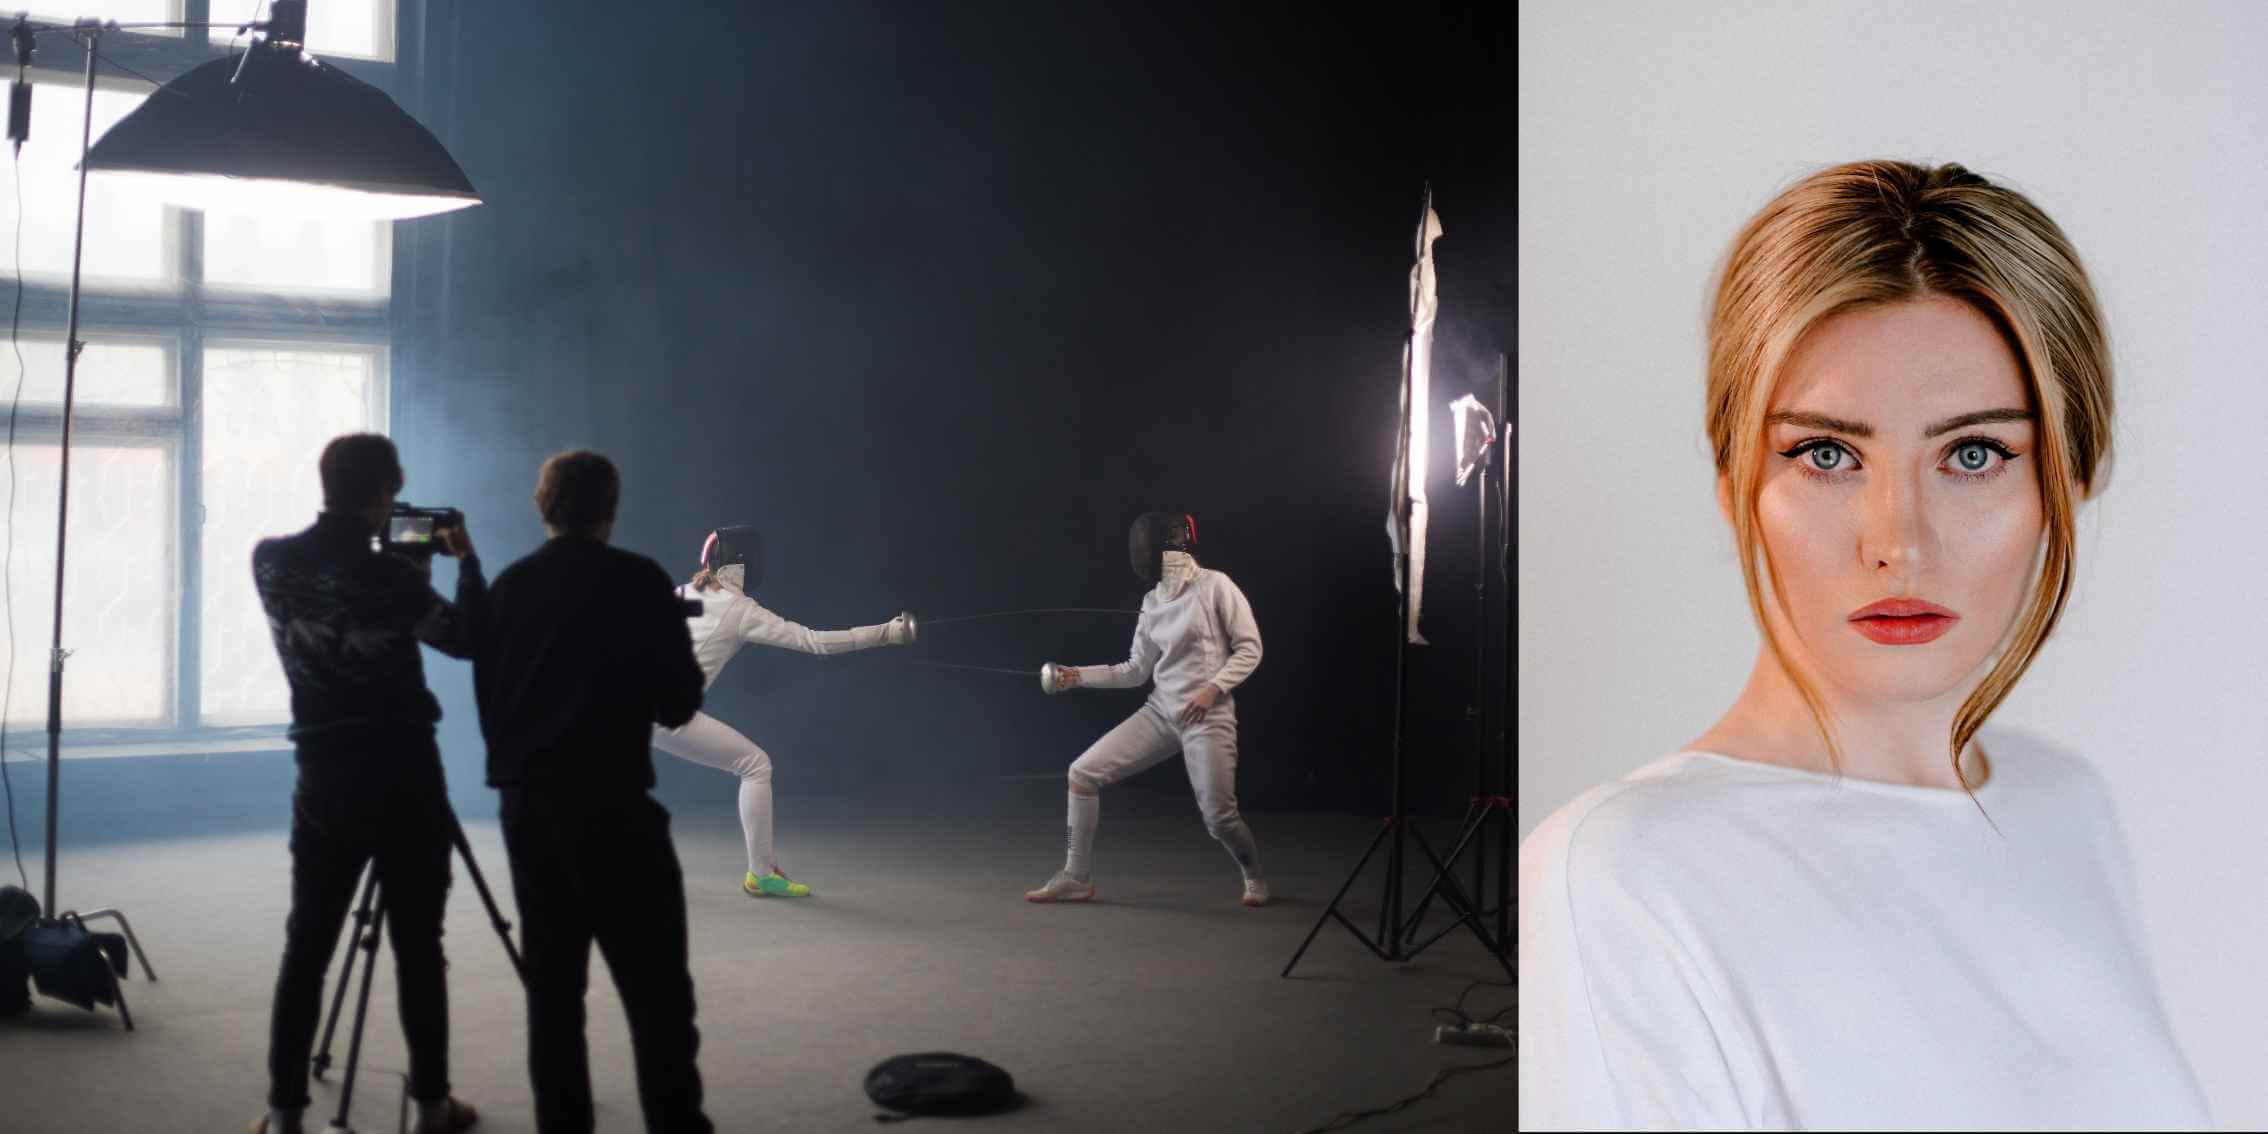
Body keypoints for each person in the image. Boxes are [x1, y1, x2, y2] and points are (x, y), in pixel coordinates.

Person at [1517, 160, 2213, 1129]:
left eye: (1974, 454)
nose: (1899, 540)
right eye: (1827, 455)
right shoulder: (1624, 873)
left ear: (2069, 478)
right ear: (1735, 485)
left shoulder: (2066, 805)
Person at [471, 449, 712, 1134]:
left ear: (541, 507)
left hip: (530, 812)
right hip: (616, 810)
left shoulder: (509, 587)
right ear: (612, 506)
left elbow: (490, 707)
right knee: (658, 996)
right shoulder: (640, 581)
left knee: (552, 997)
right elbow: (679, 703)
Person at [250, 433, 481, 1134]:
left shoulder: (270, 560)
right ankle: (434, 1107)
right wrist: (461, 559)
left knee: (307, 947)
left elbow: (346, 585)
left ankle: (284, 1115)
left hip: (322, 776)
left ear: (327, 484)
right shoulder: (394, 581)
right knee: (419, 947)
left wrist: (403, 560)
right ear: (387, 492)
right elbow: (467, 638)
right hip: (406, 778)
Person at [650, 524, 915, 897]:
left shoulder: (681, 593)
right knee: (755, 765)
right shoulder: (739, 609)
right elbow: (814, 642)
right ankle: (760, 873)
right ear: (742, 563)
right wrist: (885, 633)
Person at [1025, 512, 1267, 907]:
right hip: (1161, 713)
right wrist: (1077, 676)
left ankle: (1254, 875)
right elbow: (1136, 670)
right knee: (1081, 774)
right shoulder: (1152, 601)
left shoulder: (1216, 586)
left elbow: (1250, 647)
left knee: (1219, 819)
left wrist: (1212, 689)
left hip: (1207, 717)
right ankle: (1075, 876)